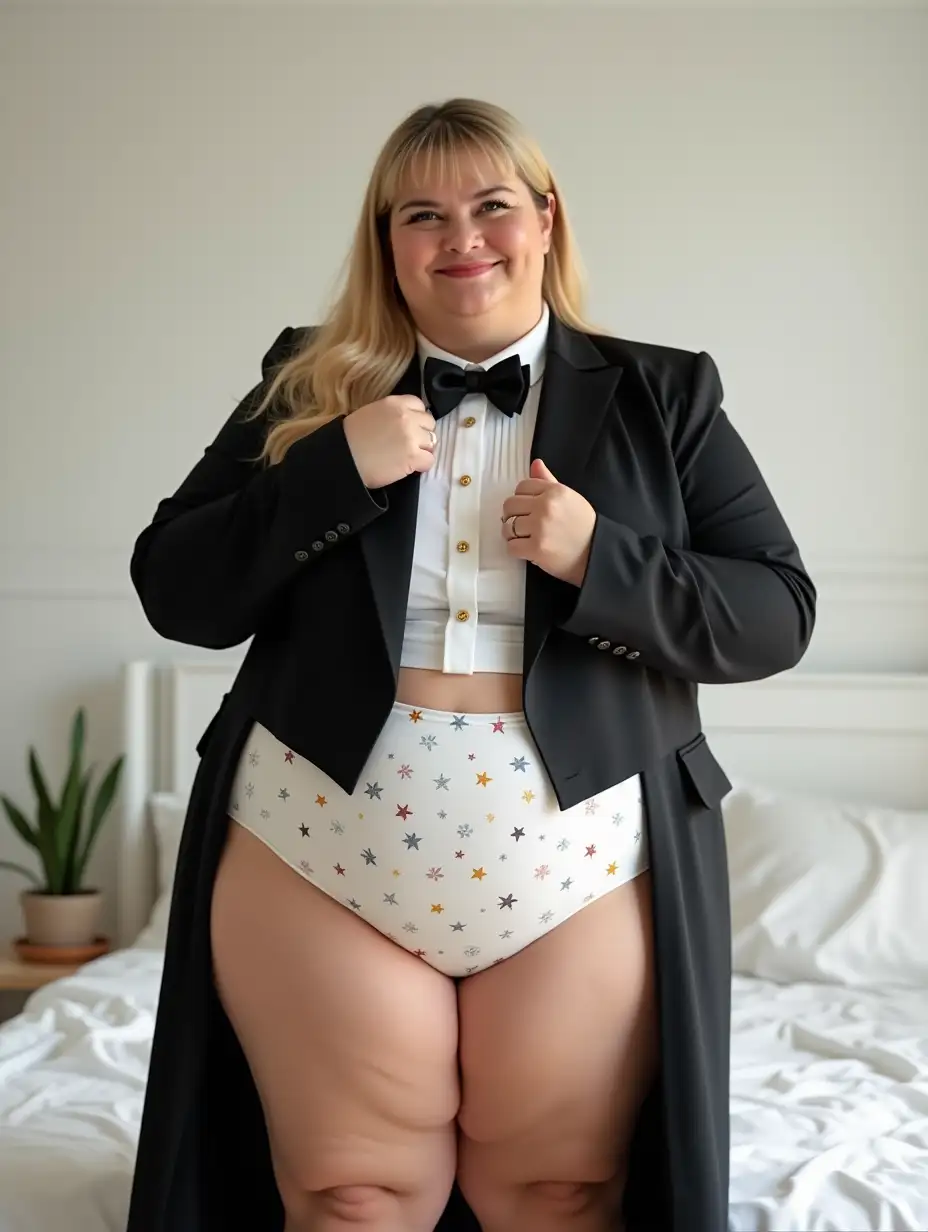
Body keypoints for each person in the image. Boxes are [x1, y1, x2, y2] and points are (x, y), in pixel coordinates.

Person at [126, 98, 816, 1232]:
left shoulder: (665, 393)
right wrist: (329, 472)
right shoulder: (307, 382)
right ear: (385, 241)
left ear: (545, 220)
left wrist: (602, 556)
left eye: (493, 204)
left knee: (561, 1193)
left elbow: (775, 612)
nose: (463, 238)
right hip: (316, 844)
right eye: (422, 214)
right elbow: (176, 588)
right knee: (350, 1195)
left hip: (583, 856)